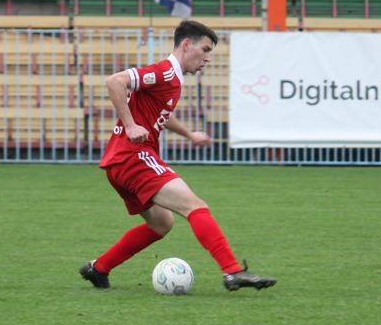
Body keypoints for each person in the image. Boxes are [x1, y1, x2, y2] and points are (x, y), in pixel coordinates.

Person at [80, 20, 277, 292]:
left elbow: (160, 114)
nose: (207, 58)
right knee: (194, 206)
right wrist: (130, 125)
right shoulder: (164, 72)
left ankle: (99, 268)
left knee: (161, 224)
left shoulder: (173, 79)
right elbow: (115, 81)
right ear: (186, 45)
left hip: (119, 162)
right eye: (205, 50)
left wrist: (189, 134)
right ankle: (232, 271)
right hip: (133, 156)